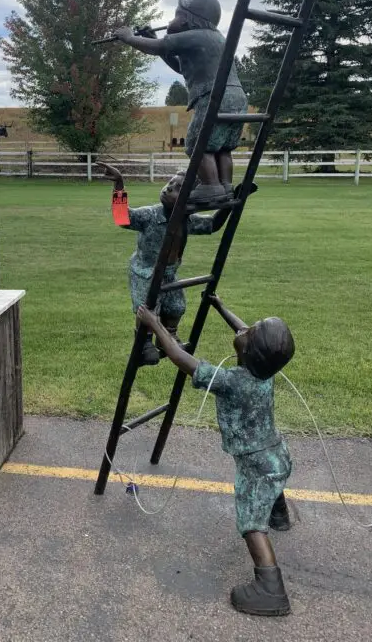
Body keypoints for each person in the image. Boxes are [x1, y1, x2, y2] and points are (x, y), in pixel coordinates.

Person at [137, 294, 295, 616]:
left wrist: (154, 324)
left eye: (251, 332)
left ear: (249, 352)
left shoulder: (231, 381)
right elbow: (242, 331)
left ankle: (271, 589)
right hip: (278, 454)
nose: (244, 329)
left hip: (256, 464)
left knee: (251, 520)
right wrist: (220, 307)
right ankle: (279, 514)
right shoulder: (265, 373)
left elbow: (183, 360)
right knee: (271, 485)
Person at [97, 162, 255, 366]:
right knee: (148, 307)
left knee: (176, 306)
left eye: (179, 188)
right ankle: (143, 343)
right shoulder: (151, 215)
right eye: (170, 183)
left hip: (169, 273)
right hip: (146, 271)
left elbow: (212, 225)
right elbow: (122, 218)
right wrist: (119, 184)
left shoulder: (187, 220)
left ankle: (168, 336)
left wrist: (234, 201)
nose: (169, 187)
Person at [113, 0, 249, 211]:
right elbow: (179, 66)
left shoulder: (197, 35)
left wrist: (129, 38)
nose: (171, 21)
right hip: (236, 98)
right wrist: (153, 40)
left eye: (176, 15)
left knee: (197, 143)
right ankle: (224, 186)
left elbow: (160, 46)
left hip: (214, 97)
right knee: (222, 147)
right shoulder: (214, 38)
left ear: (187, 19)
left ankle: (211, 186)